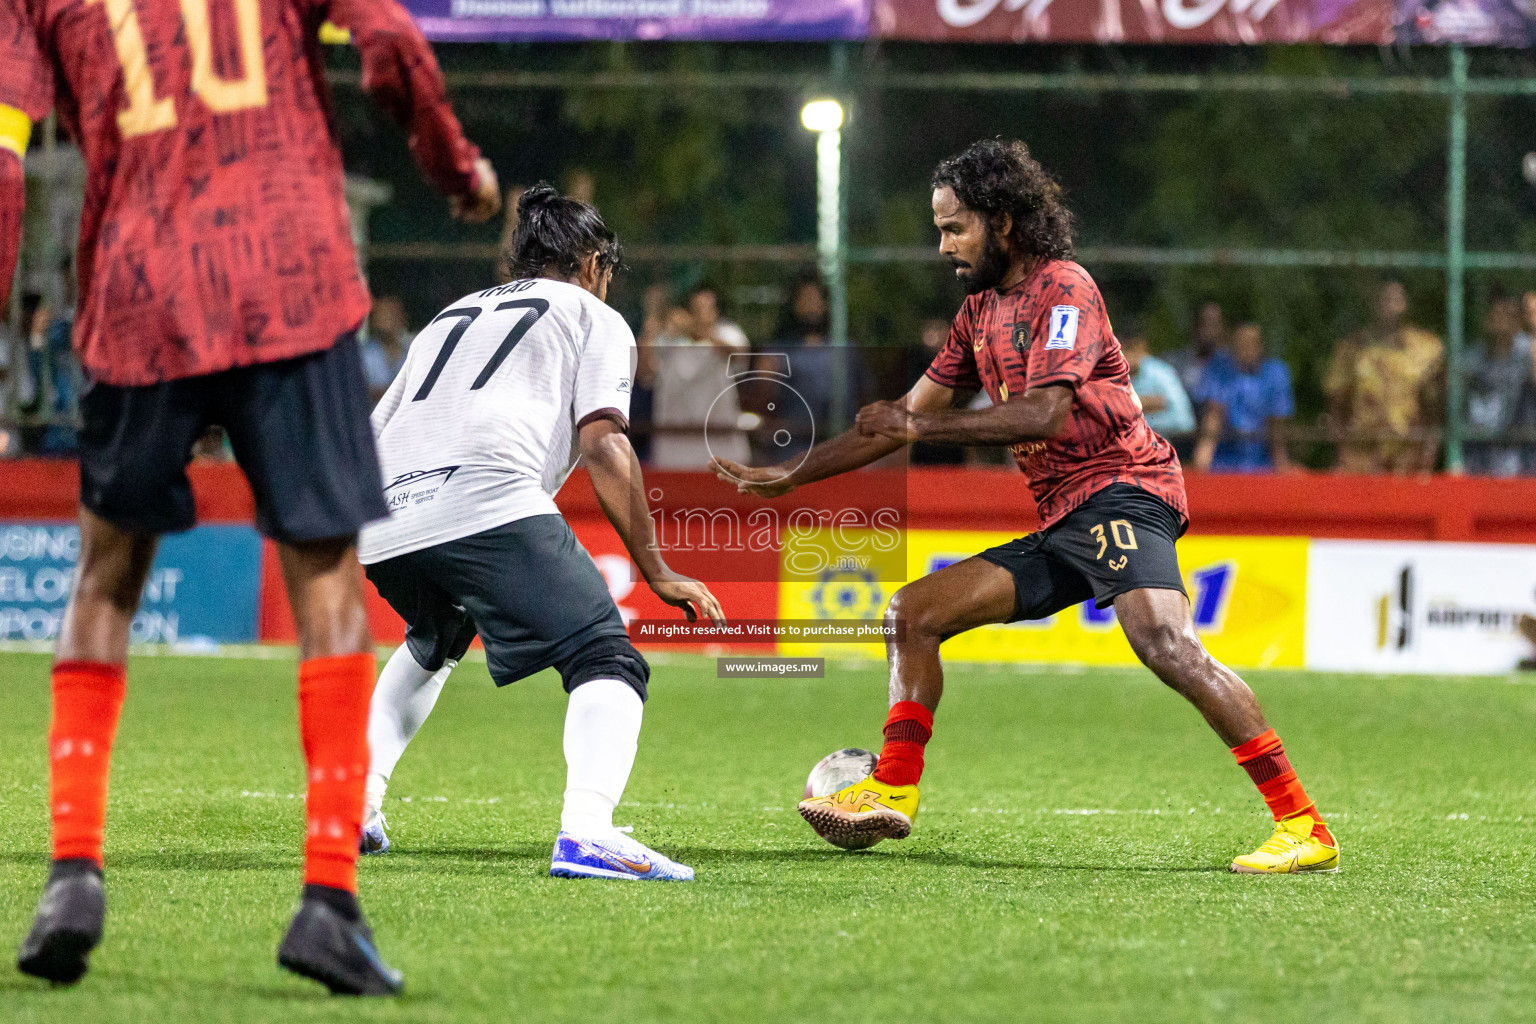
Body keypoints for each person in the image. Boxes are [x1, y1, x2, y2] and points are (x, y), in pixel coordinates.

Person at [1, 0, 502, 994]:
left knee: (103, 580)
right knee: (323, 583)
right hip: (289, 275)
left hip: (139, 287)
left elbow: (6, 163)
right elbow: (392, 45)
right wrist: (455, 167)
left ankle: (72, 876)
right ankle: (326, 900)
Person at [715, 139, 1338, 874]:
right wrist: (794, 475)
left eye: (955, 228)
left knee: (1166, 646)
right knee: (911, 614)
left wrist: (919, 427)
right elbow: (895, 418)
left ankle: (1303, 826)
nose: (942, 244)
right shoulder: (977, 312)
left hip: (1122, 490)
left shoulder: (1063, 289)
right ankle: (893, 788)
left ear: (1003, 220)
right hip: (1063, 518)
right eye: (940, 228)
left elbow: (1043, 414)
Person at [357, 185, 723, 882]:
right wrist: (656, 567)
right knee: (605, 657)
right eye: (607, 271)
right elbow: (604, 443)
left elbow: (376, 428)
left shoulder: (446, 317)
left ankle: (355, 803)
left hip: (382, 511)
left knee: (435, 640)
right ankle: (588, 832)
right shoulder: (593, 315)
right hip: (483, 495)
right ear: (592, 264)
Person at [1323, 280, 1444, 475]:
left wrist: (1427, 456)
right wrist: (1342, 454)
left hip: (1407, 458)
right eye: (1385, 299)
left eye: (1396, 299)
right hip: (1361, 457)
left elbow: (1432, 408)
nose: (1390, 305)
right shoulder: (1353, 348)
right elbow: (1338, 404)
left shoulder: (1425, 348)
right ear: (1374, 302)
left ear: (1406, 302)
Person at [649, 284, 750, 469]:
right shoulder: (669, 339)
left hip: (721, 445)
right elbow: (645, 371)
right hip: (674, 449)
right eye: (697, 310)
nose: (702, 315)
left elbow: (737, 354)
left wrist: (698, 330)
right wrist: (653, 320)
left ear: (716, 312)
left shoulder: (729, 333)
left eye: (707, 309)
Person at [1192, 323, 1296, 473]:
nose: (1246, 348)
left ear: (1261, 345)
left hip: (1262, 464)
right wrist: (1201, 464)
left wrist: (1281, 466)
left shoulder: (1276, 373)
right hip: (1223, 463)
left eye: (1251, 342)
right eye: (1240, 342)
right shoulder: (1218, 371)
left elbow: (1276, 427)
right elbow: (1213, 418)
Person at [1464, 296, 1532, 477]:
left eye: (1508, 316)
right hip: (1480, 454)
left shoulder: (1526, 356)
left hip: (1518, 454)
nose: (1502, 322)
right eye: (1497, 315)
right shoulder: (1474, 358)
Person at [1122, 329, 1195, 439]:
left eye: (1129, 348)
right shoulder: (1110, 378)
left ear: (1141, 347)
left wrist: (1138, 415)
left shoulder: (1162, 374)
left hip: (1157, 451)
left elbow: (1184, 421)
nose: (1124, 355)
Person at [1164, 300, 1232, 407]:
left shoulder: (1230, 364)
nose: (1209, 330)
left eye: (1214, 324)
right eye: (1204, 324)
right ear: (1194, 326)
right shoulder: (1175, 363)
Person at [362, 296, 414, 404]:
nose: (387, 320)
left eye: (392, 314)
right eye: (382, 315)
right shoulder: (365, 354)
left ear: (402, 318)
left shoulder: (413, 350)